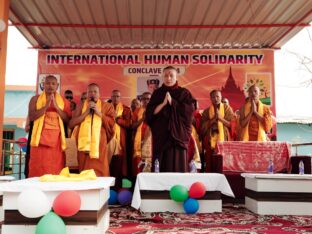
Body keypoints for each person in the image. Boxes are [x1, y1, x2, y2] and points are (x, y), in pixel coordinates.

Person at [145, 66, 195, 172]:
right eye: (166, 76)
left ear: (176, 77)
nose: (168, 78)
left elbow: (189, 112)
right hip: (161, 136)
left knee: (178, 164)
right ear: (163, 77)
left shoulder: (184, 93)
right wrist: (163, 103)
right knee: (161, 164)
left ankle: (180, 186)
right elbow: (150, 113)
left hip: (178, 137)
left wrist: (173, 102)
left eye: (171, 75)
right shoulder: (157, 93)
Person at [28, 75, 71, 177]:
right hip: (39, 141)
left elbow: (68, 120)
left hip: (56, 142)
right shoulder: (35, 99)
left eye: (53, 83)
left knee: (55, 169)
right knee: (38, 168)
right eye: (47, 83)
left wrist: (56, 107)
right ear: (43, 85)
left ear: (57, 85)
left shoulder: (64, 102)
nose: (50, 86)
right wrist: (46, 106)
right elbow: (32, 117)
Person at [68, 83, 115, 176]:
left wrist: (99, 112)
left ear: (99, 94)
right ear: (87, 93)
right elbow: (71, 124)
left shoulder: (107, 106)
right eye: (90, 91)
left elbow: (112, 124)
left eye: (95, 91)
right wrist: (85, 112)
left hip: (99, 145)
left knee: (101, 171)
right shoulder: (81, 106)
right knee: (85, 172)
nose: (92, 94)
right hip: (83, 146)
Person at [200, 90, 235, 172]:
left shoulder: (227, 109)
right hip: (210, 140)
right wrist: (212, 120)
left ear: (221, 97)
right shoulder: (206, 111)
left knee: (222, 163)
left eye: (217, 97)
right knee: (211, 163)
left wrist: (220, 119)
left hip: (223, 139)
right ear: (210, 99)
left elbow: (232, 125)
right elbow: (202, 128)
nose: (216, 99)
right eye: (213, 97)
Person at [108, 90, 131, 188]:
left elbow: (128, 124)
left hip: (120, 140)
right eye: (114, 96)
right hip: (108, 140)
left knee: (118, 164)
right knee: (108, 164)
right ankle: (108, 187)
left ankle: (117, 187)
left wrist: (117, 119)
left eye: (117, 96)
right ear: (111, 97)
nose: (115, 98)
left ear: (120, 97)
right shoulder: (106, 108)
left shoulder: (125, 109)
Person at [132, 92, 152, 175]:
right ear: (141, 100)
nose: (146, 101)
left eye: (148, 99)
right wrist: (142, 119)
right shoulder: (137, 111)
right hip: (139, 140)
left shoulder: (155, 110)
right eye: (144, 99)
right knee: (139, 165)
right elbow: (132, 126)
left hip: (151, 140)